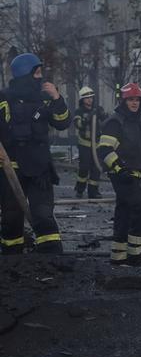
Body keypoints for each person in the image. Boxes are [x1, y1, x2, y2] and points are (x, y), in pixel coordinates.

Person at [0, 53, 70, 254]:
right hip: (10, 168)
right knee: (11, 217)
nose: (40, 77)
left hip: (40, 168)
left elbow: (63, 122)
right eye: (37, 73)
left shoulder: (45, 99)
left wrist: (57, 98)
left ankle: (52, 259)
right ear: (25, 73)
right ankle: (11, 261)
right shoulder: (4, 98)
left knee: (43, 214)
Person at [97, 83, 141, 265]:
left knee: (124, 212)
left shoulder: (139, 121)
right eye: (130, 99)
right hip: (120, 174)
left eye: (137, 100)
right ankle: (135, 255)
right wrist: (120, 168)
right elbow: (104, 149)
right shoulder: (115, 121)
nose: (134, 103)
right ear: (123, 100)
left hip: (135, 173)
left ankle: (118, 256)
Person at [73, 86, 105, 199]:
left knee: (96, 168)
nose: (89, 100)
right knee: (84, 168)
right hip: (85, 144)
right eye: (87, 98)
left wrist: (103, 115)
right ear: (82, 100)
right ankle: (80, 190)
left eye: (91, 97)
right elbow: (78, 125)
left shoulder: (98, 109)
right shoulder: (79, 111)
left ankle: (93, 192)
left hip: (97, 144)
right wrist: (87, 119)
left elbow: (106, 123)